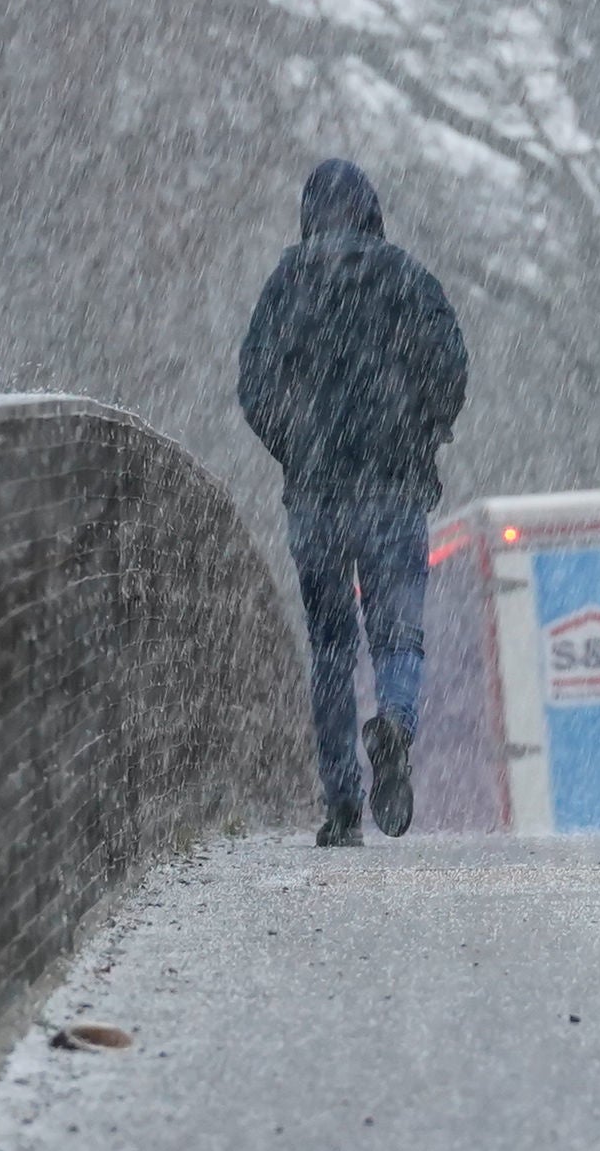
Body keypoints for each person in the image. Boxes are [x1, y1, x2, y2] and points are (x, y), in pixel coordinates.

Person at [237, 158, 469, 847]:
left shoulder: (288, 283)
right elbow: (452, 366)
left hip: (317, 497)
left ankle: (342, 804)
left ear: (310, 214)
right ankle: (394, 723)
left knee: (332, 648)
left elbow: (253, 384)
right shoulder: (407, 278)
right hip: (394, 489)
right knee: (399, 635)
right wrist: (422, 433)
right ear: (371, 211)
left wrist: (297, 445)